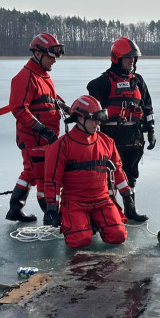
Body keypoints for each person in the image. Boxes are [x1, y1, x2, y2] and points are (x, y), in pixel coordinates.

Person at [42, 95, 133, 249]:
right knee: (79, 241)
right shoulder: (61, 146)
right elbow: (52, 180)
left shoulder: (107, 142)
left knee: (118, 236)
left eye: (99, 119)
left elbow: (117, 171)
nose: (98, 123)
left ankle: (92, 221)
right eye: (94, 119)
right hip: (75, 202)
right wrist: (52, 208)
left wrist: (127, 195)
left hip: (102, 200)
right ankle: (83, 224)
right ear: (79, 118)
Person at [86, 36, 155, 222]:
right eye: (128, 57)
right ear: (117, 58)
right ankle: (109, 212)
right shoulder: (103, 82)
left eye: (134, 57)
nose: (132, 61)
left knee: (131, 176)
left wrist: (151, 130)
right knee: (109, 177)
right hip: (112, 139)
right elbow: (93, 111)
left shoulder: (138, 81)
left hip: (134, 138)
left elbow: (147, 107)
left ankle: (130, 209)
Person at [6, 33, 67, 223]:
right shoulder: (25, 77)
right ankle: (49, 212)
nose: (55, 60)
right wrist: (41, 129)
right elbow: (18, 108)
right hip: (33, 137)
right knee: (40, 174)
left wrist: (67, 108)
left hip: (46, 136)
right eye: (51, 56)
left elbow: (51, 98)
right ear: (38, 54)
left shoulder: (43, 75)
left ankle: (16, 208)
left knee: (33, 172)